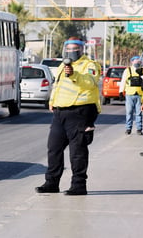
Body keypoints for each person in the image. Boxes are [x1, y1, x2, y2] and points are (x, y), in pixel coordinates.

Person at [35, 37, 101, 196]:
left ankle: (78, 185)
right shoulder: (61, 66)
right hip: (60, 111)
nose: (71, 51)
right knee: (54, 147)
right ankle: (51, 182)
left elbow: (91, 82)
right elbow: (57, 85)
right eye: (69, 48)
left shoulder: (89, 65)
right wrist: (52, 101)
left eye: (75, 48)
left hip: (80, 111)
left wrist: (74, 75)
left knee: (77, 150)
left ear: (81, 49)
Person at [119, 56, 143, 135]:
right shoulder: (127, 70)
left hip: (140, 94)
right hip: (129, 93)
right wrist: (121, 91)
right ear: (132, 62)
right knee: (129, 112)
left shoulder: (142, 70)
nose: (137, 62)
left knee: (138, 112)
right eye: (135, 61)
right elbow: (123, 81)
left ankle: (139, 129)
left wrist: (142, 75)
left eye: (138, 61)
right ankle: (128, 128)